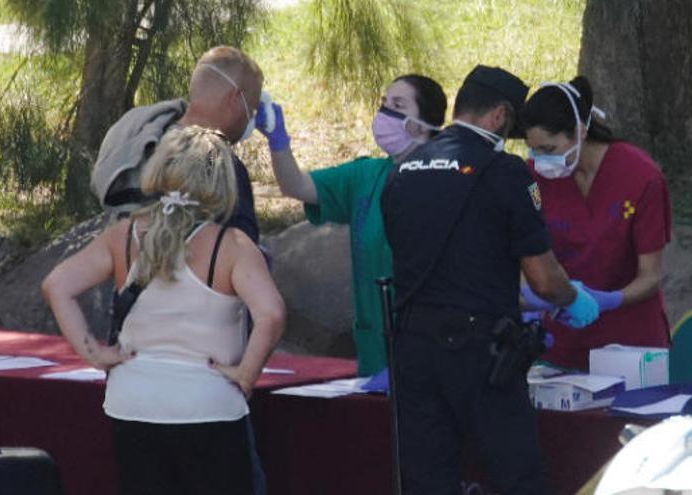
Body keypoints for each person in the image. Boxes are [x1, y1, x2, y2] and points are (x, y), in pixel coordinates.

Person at [380, 65, 600, 494]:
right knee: (516, 475)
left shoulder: (403, 170)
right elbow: (542, 277)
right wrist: (571, 298)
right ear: (499, 116)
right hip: (478, 353)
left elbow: (432, 266)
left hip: (411, 351)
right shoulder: (503, 172)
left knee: (428, 479)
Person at [43, 126, 285, 495]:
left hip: (133, 401)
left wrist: (93, 354)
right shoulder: (231, 245)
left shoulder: (124, 235)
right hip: (208, 402)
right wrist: (246, 375)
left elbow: (56, 285)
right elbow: (271, 315)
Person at [254, 74, 447, 376]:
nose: (385, 114)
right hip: (374, 347)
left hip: (431, 347)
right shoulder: (366, 176)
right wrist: (278, 141)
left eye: (398, 105)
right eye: (383, 103)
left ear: (425, 124)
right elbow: (297, 186)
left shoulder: (447, 182)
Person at [520, 76, 672, 370]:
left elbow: (650, 276)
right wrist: (535, 299)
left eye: (548, 150)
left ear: (578, 131)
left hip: (632, 346)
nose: (540, 160)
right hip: (561, 344)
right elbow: (524, 254)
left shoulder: (641, 177)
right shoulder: (533, 178)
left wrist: (609, 300)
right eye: (533, 150)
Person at [91, 45, 263, 243]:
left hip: (125, 264)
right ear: (234, 98)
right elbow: (242, 248)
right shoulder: (221, 165)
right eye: (252, 109)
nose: (251, 118)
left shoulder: (137, 136)